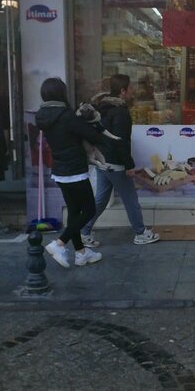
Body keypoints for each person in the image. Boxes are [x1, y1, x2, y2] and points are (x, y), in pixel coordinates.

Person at [81, 73, 160, 246]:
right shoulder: (120, 113)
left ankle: (83, 231)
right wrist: (129, 166)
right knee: (130, 199)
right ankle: (141, 233)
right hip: (115, 163)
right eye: (130, 88)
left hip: (103, 160)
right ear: (123, 91)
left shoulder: (101, 108)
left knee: (100, 200)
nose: (132, 91)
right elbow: (121, 142)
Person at [34, 76, 105, 269]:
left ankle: (81, 253)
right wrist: (96, 122)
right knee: (89, 210)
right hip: (75, 170)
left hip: (60, 170)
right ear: (62, 93)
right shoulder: (66, 116)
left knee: (74, 211)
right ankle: (59, 243)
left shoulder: (42, 116)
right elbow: (93, 136)